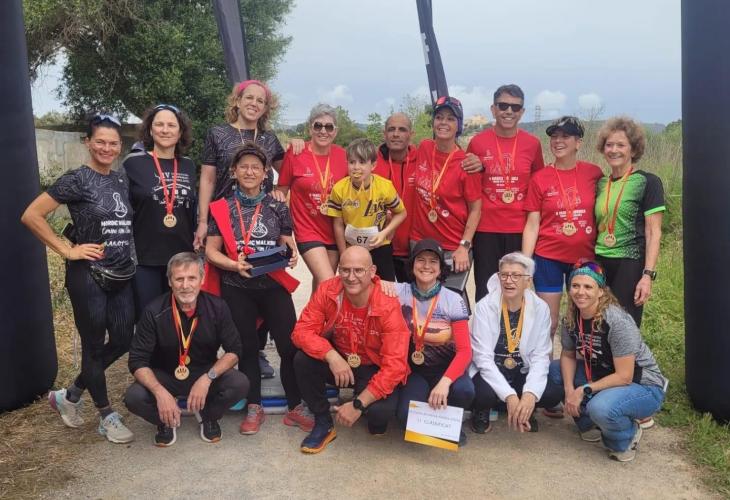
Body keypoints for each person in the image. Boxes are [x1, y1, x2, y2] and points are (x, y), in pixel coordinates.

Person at [21, 114, 135, 443]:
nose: (106, 148)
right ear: (87, 142)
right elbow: (32, 215)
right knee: (93, 346)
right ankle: (106, 415)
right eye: (100, 141)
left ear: (119, 146)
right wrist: (67, 250)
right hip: (88, 276)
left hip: (121, 273)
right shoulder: (76, 179)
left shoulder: (121, 180)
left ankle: (70, 394)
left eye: (112, 143)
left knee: (123, 339)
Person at [204, 143, 307, 435]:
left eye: (256, 167)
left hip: (273, 284)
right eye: (244, 167)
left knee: (289, 345)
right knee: (246, 347)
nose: (250, 172)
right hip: (236, 286)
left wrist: (292, 254)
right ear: (234, 172)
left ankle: (296, 406)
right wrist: (233, 264)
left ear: (265, 174)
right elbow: (211, 251)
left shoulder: (277, 205)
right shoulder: (222, 207)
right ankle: (254, 406)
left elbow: (286, 242)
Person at [197, 80, 286, 377]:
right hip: (225, 221)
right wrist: (202, 220)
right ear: (237, 100)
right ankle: (230, 351)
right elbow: (208, 179)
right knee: (226, 288)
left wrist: (281, 191)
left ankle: (256, 351)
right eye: (249, 98)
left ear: (266, 107)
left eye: (260, 101)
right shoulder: (218, 133)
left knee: (261, 280)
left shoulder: (270, 138)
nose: (254, 104)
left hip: (260, 220)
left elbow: (289, 173)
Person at [291, 246, 410, 454]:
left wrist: (358, 405)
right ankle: (323, 422)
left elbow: (395, 366)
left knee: (380, 415)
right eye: (345, 270)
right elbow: (301, 331)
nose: (351, 277)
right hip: (341, 361)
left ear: (372, 272)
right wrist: (331, 355)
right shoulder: (328, 289)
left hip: (373, 366)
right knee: (303, 360)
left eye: (358, 270)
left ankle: (361, 402)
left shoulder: (388, 304)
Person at [124, 253, 249, 446]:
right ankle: (166, 420)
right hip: (165, 375)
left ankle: (208, 415)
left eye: (191, 278)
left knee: (240, 384)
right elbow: (137, 360)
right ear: (169, 281)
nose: (185, 285)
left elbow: (234, 351)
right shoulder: (153, 311)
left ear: (202, 279)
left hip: (204, 371)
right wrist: (159, 392)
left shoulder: (218, 307)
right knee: (134, 397)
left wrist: (208, 378)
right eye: (179, 279)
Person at [548, 260, 667, 462]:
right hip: (603, 374)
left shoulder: (616, 321)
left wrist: (583, 390)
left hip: (643, 384)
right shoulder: (571, 317)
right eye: (575, 286)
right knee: (555, 370)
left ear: (601, 292)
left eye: (588, 287)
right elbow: (568, 355)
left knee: (600, 408)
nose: (580, 292)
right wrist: (569, 390)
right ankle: (588, 424)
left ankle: (626, 436)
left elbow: (625, 376)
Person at [522, 117, 603, 343]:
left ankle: (581, 363)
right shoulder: (540, 178)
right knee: (549, 322)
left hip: (584, 258)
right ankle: (544, 365)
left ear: (578, 142)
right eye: (554, 137)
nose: (558, 141)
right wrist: (525, 264)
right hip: (548, 258)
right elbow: (532, 224)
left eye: (565, 136)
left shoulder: (594, 174)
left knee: (586, 320)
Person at [465, 84, 545, 302]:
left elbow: (539, 187)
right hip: (486, 230)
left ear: (522, 112)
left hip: (520, 230)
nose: (509, 111)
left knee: (517, 291)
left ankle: (514, 326)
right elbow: (468, 185)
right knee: (486, 292)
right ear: (493, 109)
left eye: (515, 107)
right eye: (503, 106)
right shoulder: (477, 142)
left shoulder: (533, 144)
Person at [469, 252, 562, 434]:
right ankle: (484, 409)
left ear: (528, 281)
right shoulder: (484, 306)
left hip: (520, 371)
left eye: (516, 276)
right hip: (492, 370)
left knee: (553, 393)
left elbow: (540, 356)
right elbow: (482, 358)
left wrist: (530, 394)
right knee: (482, 394)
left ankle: (525, 408)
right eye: (504, 275)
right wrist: (509, 395)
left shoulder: (540, 308)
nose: (508, 281)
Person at [392, 239, 474, 445]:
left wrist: (444, 383)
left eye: (433, 261)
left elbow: (465, 351)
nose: (426, 266)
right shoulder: (397, 292)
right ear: (412, 265)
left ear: (440, 268)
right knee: (404, 416)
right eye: (420, 260)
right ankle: (434, 424)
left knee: (465, 390)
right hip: (414, 371)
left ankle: (450, 424)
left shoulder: (453, 299)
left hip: (445, 368)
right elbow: (367, 280)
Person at [123, 104, 196, 316]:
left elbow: (191, 210)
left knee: (179, 316)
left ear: (180, 132)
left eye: (171, 125)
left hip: (182, 257)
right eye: (159, 124)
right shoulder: (133, 163)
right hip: (145, 258)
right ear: (150, 129)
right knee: (149, 318)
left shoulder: (188, 165)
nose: (165, 130)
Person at [593, 117, 664, 327]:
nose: (614, 150)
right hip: (599, 260)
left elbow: (653, 232)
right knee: (597, 325)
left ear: (633, 150)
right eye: (609, 145)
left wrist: (647, 275)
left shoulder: (647, 181)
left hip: (629, 262)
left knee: (623, 327)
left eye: (621, 145)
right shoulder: (601, 183)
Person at [409, 96, 482, 298]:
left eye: (450, 118)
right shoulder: (424, 148)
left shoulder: (466, 164)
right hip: (420, 242)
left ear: (459, 125)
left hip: (452, 247)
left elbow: (476, 210)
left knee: (450, 303)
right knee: (421, 301)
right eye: (439, 117)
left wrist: (464, 247)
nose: (443, 122)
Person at [276, 103, 348, 292]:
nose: (323, 131)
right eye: (318, 126)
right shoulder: (296, 153)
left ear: (335, 131)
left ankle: (314, 313)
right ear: (310, 128)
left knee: (321, 290)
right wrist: (283, 231)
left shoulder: (343, 156)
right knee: (329, 284)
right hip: (307, 229)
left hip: (335, 229)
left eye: (329, 127)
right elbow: (281, 191)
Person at [327, 138, 406, 281]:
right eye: (352, 162)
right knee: (355, 285)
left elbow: (401, 213)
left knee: (385, 287)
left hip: (379, 245)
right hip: (352, 247)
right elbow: (338, 224)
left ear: (373, 165)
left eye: (362, 162)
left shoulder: (385, 186)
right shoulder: (339, 189)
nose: (356, 167)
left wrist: (385, 232)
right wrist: (343, 253)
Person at [375, 112, 418, 281]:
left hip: (412, 248)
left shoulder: (422, 159)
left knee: (411, 297)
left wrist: (473, 160)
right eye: (391, 129)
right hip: (379, 244)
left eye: (402, 129)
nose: (396, 134)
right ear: (384, 133)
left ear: (411, 134)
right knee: (381, 294)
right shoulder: (371, 162)